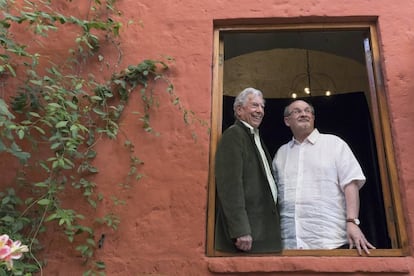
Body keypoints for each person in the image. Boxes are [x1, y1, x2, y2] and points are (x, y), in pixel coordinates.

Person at [272, 99, 376, 255]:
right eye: (297, 111)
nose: (304, 114)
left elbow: (350, 184)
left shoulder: (334, 144)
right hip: (290, 242)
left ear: (313, 118)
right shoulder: (281, 154)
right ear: (287, 121)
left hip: (329, 240)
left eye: (308, 111)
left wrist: (352, 221)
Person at [214, 87, 282, 253]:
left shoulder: (254, 136)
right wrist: (240, 229)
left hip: (262, 233)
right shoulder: (234, 135)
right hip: (247, 236)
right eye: (254, 105)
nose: (260, 111)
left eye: (262, 106)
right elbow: (230, 187)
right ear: (239, 110)